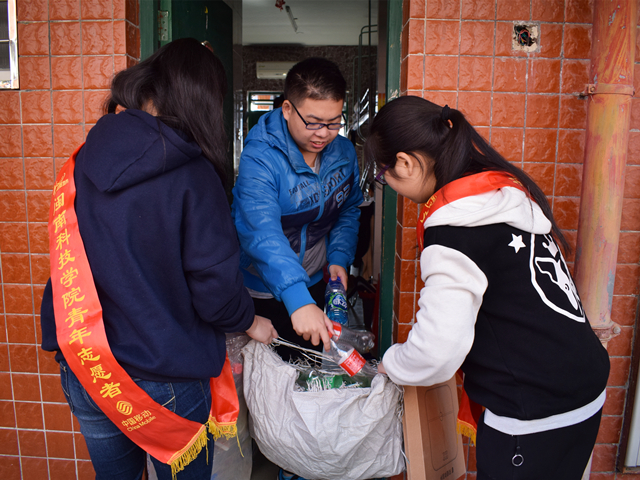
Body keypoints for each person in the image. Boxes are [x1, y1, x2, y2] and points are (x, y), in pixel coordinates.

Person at [39, 38, 277, 480]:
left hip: (88, 366)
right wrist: (251, 321)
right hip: (165, 371)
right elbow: (216, 292)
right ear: (205, 102)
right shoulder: (194, 175)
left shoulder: (85, 157)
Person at [369, 96, 610, 480]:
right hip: (583, 386)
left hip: (534, 411)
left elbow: (436, 352)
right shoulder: (504, 194)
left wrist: (392, 364)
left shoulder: (454, 229)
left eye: (385, 175)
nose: (390, 186)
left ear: (406, 162)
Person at [232, 57, 364, 361]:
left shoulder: (343, 151)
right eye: (313, 122)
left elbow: (348, 208)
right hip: (261, 289)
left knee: (309, 369)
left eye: (334, 122)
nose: (323, 133)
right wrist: (296, 298)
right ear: (287, 109)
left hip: (316, 280)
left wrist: (339, 258)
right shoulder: (260, 158)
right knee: (266, 380)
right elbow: (260, 232)